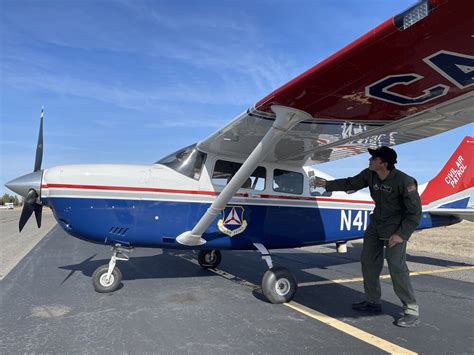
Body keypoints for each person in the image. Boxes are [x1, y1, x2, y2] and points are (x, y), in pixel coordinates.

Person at [311, 146, 422, 327]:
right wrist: (326, 184)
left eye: (374, 158)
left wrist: (401, 234)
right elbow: (350, 183)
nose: (369, 161)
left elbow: (414, 213)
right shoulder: (369, 174)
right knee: (368, 262)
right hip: (376, 225)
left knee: (396, 266)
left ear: (384, 163)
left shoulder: (404, 181)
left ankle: (410, 309)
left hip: (395, 229)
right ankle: (372, 302)